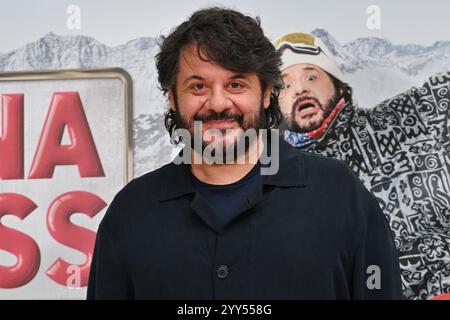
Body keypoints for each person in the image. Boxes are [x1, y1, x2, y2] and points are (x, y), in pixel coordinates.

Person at [87, 8, 402, 299]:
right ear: (172, 98)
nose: (219, 103)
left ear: (266, 93)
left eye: (236, 85)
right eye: (198, 87)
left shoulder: (340, 195)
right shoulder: (131, 213)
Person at [275, 31, 450, 299]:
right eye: (285, 85)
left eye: (311, 76)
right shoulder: (274, 177)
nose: (300, 89)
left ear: (339, 85)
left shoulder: (405, 118)